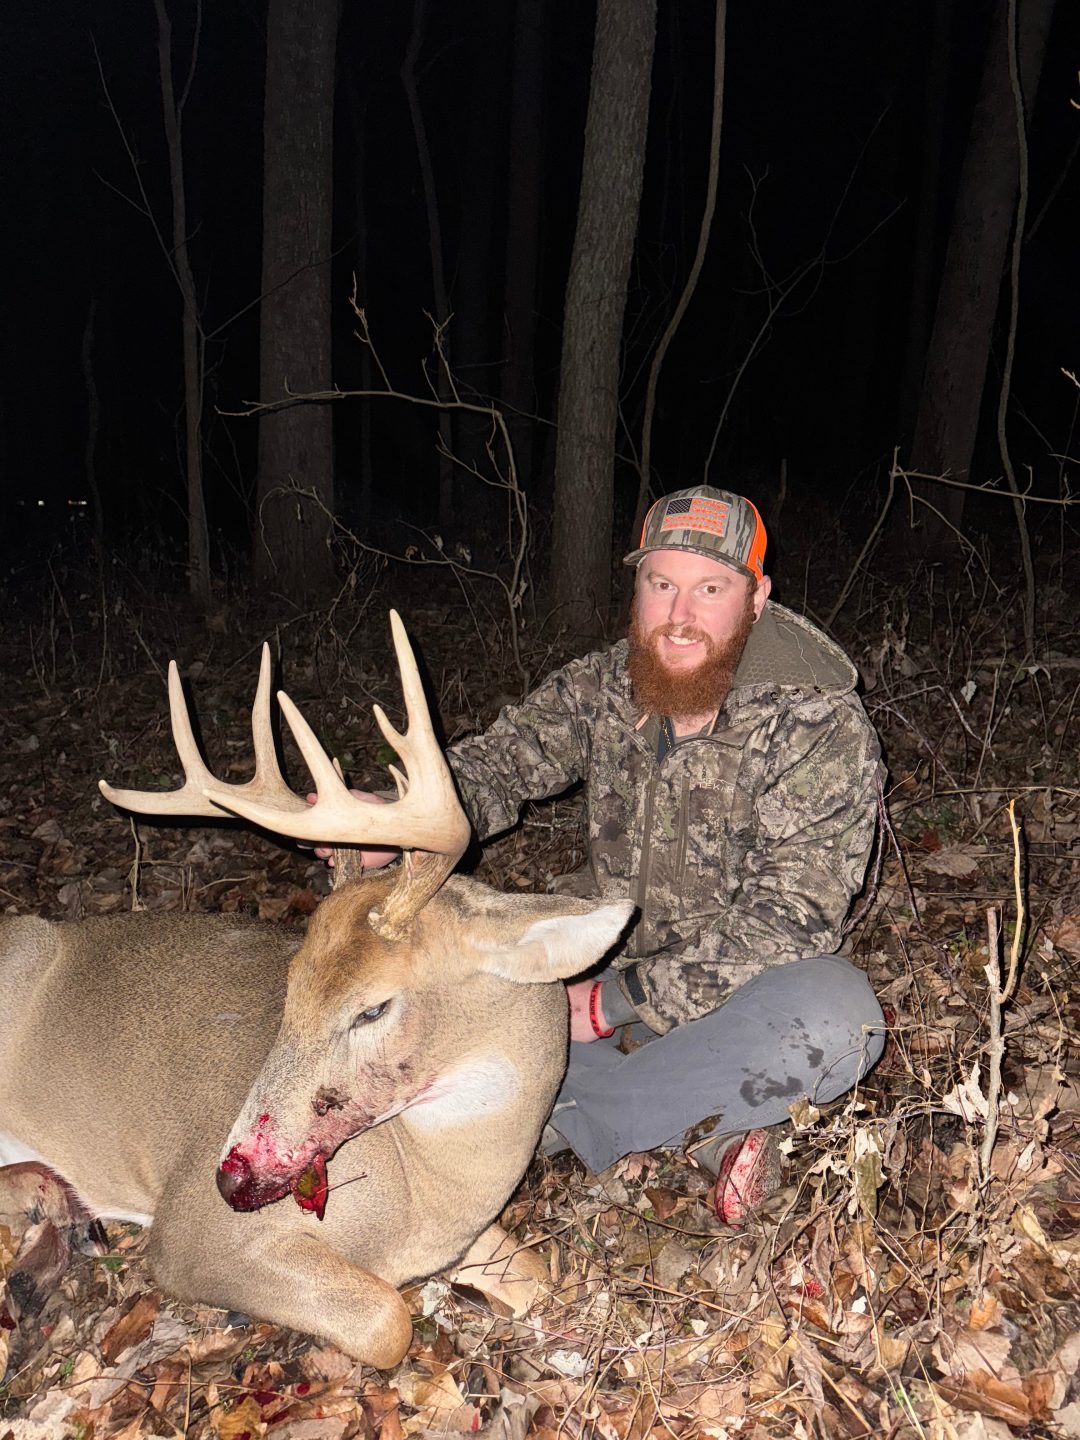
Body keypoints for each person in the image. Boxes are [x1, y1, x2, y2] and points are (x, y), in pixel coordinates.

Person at [345, 487, 885, 1225]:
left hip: (741, 989)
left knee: (843, 1021)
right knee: (456, 965)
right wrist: (394, 821)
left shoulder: (816, 722)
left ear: (757, 599)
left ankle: (554, 1118)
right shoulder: (605, 684)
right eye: (661, 585)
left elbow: (790, 920)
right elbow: (497, 767)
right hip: (602, 951)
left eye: (710, 590)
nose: (679, 616)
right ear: (637, 587)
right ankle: (707, 1129)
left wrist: (613, 1005)